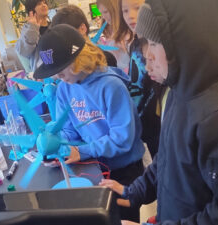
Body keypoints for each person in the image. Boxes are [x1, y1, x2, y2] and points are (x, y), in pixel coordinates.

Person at [101, 1, 218, 224]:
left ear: (188, 43)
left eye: (153, 43)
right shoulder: (179, 93)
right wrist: (136, 191)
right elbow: (168, 157)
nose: (147, 55)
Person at [33, 24, 145, 222]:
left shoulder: (111, 87)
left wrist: (81, 151)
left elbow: (123, 140)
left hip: (123, 172)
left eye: (60, 69)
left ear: (79, 58)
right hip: (92, 169)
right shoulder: (64, 89)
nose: (57, 76)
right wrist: (58, 145)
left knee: (122, 220)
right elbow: (68, 131)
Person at [114, 0, 161, 157]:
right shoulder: (135, 43)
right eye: (125, 11)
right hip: (140, 120)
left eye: (137, 8)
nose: (131, 16)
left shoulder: (161, 46)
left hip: (159, 124)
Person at [51, 4, 117, 67]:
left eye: (67, 35)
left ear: (82, 28)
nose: (65, 43)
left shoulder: (105, 60)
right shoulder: (69, 66)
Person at [15, 0, 50, 72]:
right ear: (31, 11)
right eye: (39, 4)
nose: (44, 5)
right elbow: (23, 52)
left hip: (59, 67)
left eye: (44, 3)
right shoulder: (28, 29)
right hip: (43, 72)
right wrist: (33, 27)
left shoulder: (54, 25)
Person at [96, 0, 130, 72]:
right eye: (101, 13)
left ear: (116, 9)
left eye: (105, 12)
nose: (103, 17)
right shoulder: (108, 28)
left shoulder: (129, 31)